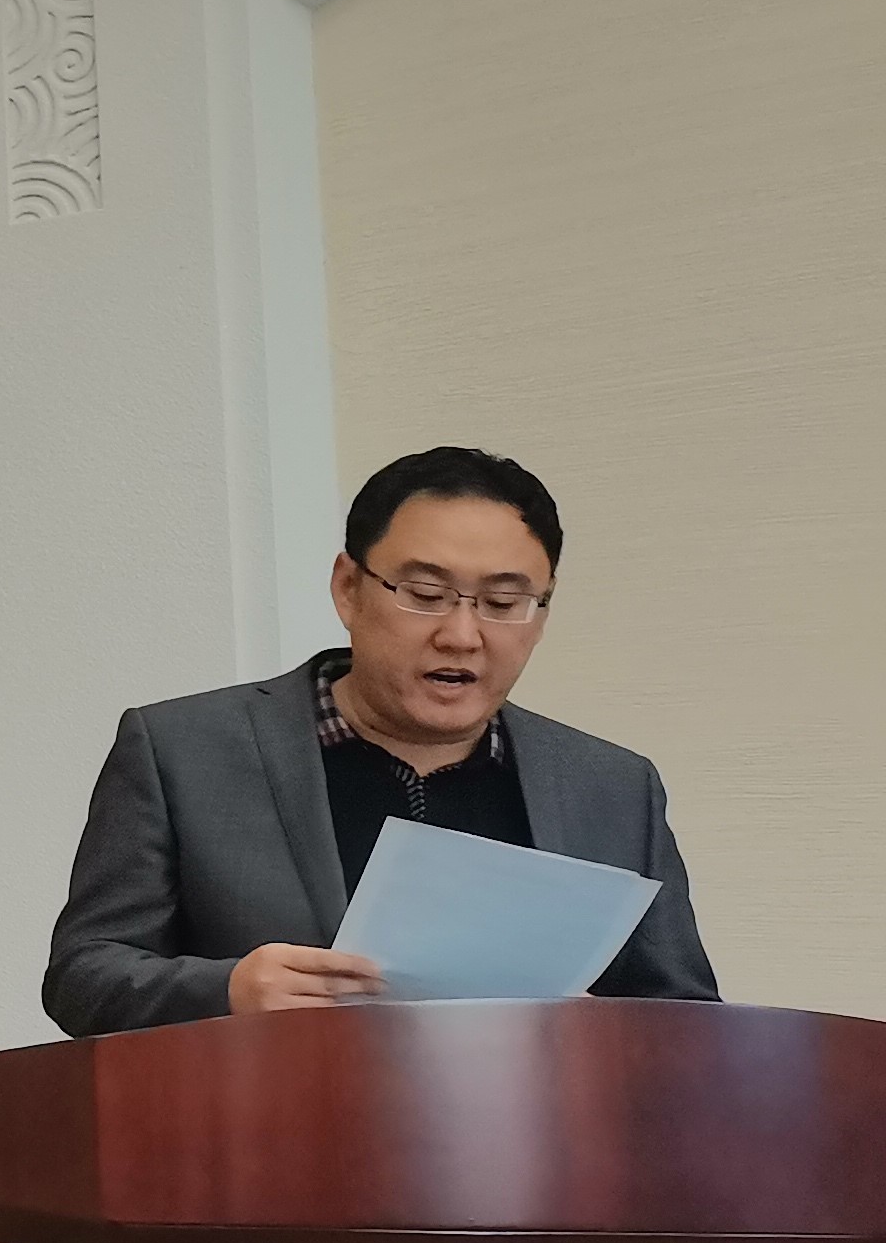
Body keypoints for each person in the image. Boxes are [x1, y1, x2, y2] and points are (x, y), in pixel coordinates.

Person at [43, 443, 718, 1034]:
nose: (462, 635)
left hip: (526, 1140)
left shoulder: (611, 787)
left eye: (502, 603)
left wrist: (605, 1030)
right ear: (348, 588)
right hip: (264, 1133)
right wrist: (227, 991)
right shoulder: (183, 751)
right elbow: (82, 974)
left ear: (541, 612)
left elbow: (688, 1018)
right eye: (425, 594)